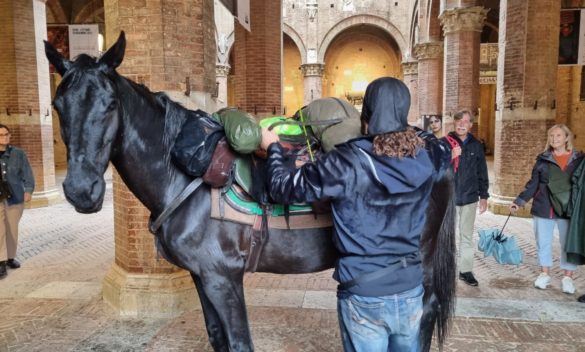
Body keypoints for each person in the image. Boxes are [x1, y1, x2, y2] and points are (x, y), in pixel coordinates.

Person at [261, 77, 451, 352]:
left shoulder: (345, 162)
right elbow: (437, 143)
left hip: (365, 294)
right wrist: (404, 129)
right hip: (410, 290)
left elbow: (283, 188)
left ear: (365, 116)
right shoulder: (430, 156)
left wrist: (274, 149)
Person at [510, 124, 583, 294]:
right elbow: (533, 184)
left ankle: (568, 278)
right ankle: (544, 274)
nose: (554, 139)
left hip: (568, 209)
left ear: (566, 138)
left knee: (568, 244)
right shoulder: (543, 159)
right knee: (543, 243)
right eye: (551, 136)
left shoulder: (578, 159)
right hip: (544, 207)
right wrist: (519, 201)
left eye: (558, 136)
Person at [446, 110, 489, 287]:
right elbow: (434, 169)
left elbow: (482, 172)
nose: (462, 123)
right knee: (447, 237)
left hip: (469, 198)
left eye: (466, 121)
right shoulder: (444, 143)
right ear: (454, 123)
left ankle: (466, 271)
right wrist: (450, 156)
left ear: (471, 124)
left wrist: (484, 196)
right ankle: (446, 271)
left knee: (466, 237)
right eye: (458, 120)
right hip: (449, 199)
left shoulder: (476, 145)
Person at [0, 124, 34, 279]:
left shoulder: (18, 153)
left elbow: (27, 172)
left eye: (7, 134)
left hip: (14, 197)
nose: (5, 137)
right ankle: (1, 262)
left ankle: (10, 258)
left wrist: (28, 190)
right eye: (1, 135)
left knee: (12, 228)